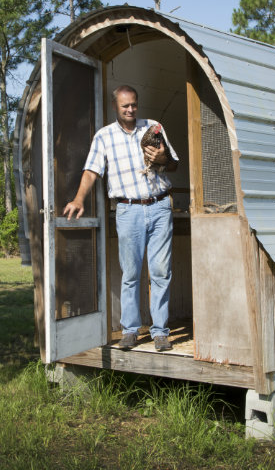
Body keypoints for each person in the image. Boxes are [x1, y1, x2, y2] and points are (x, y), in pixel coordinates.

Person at [63, 85, 179, 352]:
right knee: (131, 272)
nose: (130, 110)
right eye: (125, 106)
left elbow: (173, 163)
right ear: (115, 106)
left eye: (134, 105)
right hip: (128, 210)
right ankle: (130, 330)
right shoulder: (104, 137)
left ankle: (160, 332)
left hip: (160, 206)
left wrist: (163, 157)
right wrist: (79, 199)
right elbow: (92, 170)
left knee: (161, 271)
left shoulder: (153, 127)